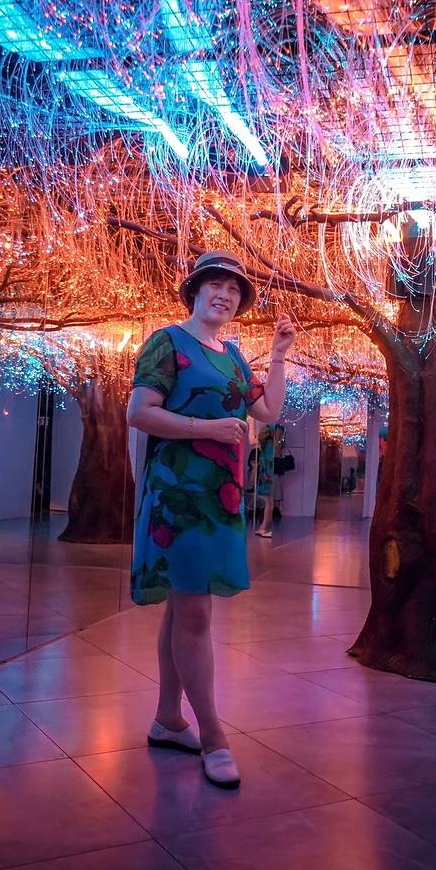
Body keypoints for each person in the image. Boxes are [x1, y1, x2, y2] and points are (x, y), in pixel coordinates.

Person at [127, 250, 295, 789]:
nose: (225, 295)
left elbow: (268, 411)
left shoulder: (234, 356)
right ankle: (214, 736)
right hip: (178, 493)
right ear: (195, 291)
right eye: (215, 285)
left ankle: (167, 720)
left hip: (220, 496)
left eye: (234, 290)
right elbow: (139, 412)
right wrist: (207, 429)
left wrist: (278, 356)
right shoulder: (167, 342)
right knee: (194, 612)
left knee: (183, 609)